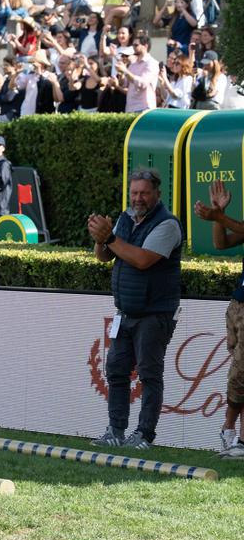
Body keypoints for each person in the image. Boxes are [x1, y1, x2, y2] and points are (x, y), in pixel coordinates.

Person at [88, 169, 182, 450]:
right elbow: (104, 257)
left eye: (143, 193)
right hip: (126, 312)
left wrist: (111, 238)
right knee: (116, 371)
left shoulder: (168, 225)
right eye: (134, 193)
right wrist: (100, 237)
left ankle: (144, 435)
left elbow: (142, 260)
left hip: (155, 314)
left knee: (149, 375)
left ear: (157, 194)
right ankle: (115, 431)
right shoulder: (125, 218)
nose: (138, 198)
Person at [192, 181, 244, 459]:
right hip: (238, 305)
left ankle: (228, 431)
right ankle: (234, 439)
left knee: (240, 374)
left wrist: (220, 217)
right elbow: (220, 242)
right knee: (240, 373)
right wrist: (217, 213)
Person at [116, 34, 159, 113]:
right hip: (130, 107)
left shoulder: (152, 63)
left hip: (144, 107)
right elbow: (124, 84)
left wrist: (125, 71)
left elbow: (143, 83)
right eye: (133, 45)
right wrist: (121, 73)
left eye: (136, 45)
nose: (133, 47)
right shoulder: (133, 64)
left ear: (145, 46)